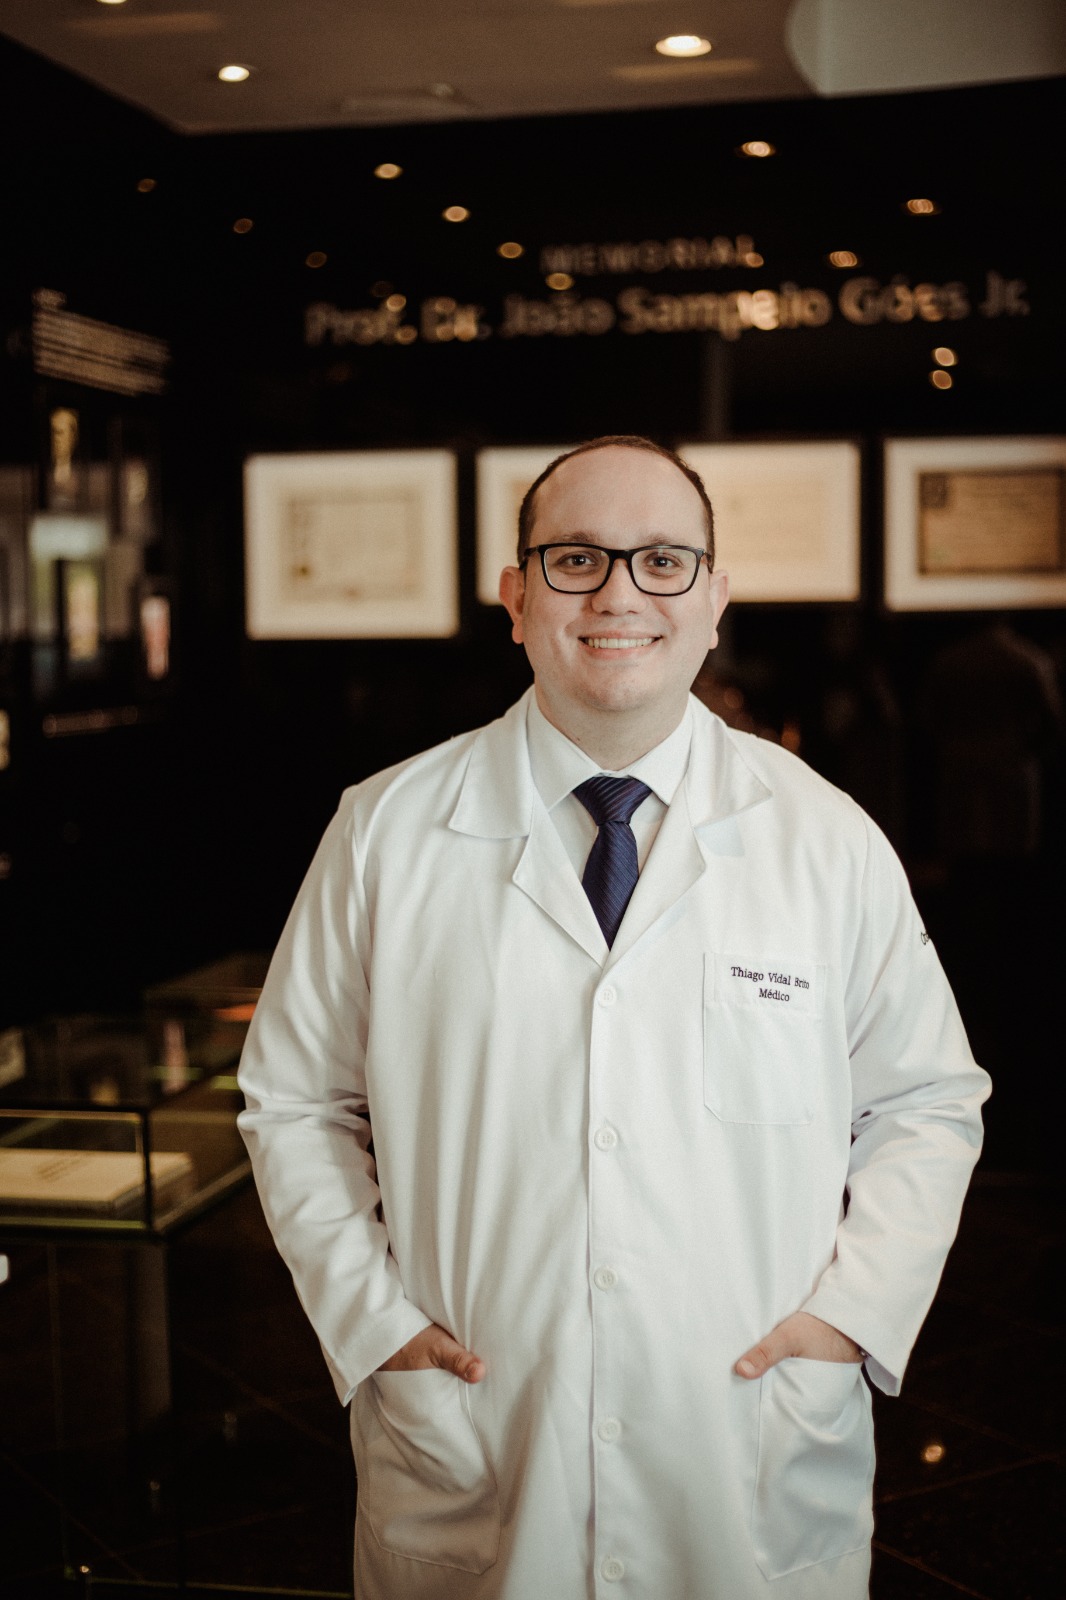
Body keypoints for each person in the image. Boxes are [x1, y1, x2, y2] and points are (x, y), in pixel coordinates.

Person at [238, 436, 989, 1600]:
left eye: (663, 560)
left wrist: (850, 1319)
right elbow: (293, 1102)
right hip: (477, 1435)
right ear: (516, 596)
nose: (620, 594)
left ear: (715, 598)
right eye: (577, 558)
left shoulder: (823, 837)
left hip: (747, 1434)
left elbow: (927, 1100)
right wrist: (372, 1321)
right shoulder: (385, 830)